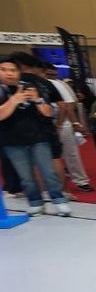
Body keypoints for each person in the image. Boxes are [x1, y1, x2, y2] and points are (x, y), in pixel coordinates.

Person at [0, 55, 69, 216]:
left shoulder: (29, 86)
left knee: (48, 172)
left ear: (19, 72)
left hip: (38, 137)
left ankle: (59, 200)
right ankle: (35, 202)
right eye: (3, 69)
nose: (9, 73)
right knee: (26, 176)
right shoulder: (2, 91)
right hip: (12, 141)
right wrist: (14, 100)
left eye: (13, 70)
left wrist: (37, 100)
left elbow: (48, 112)